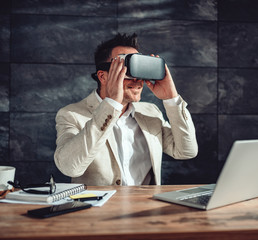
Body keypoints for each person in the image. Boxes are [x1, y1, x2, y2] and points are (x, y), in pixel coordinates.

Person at [54, 33, 198, 186]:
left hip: (145, 206)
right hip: (100, 208)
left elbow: (186, 151)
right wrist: (111, 105)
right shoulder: (71, 115)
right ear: (103, 77)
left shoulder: (150, 112)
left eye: (139, 69)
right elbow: (70, 168)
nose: (137, 79)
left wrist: (171, 98)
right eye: (127, 69)